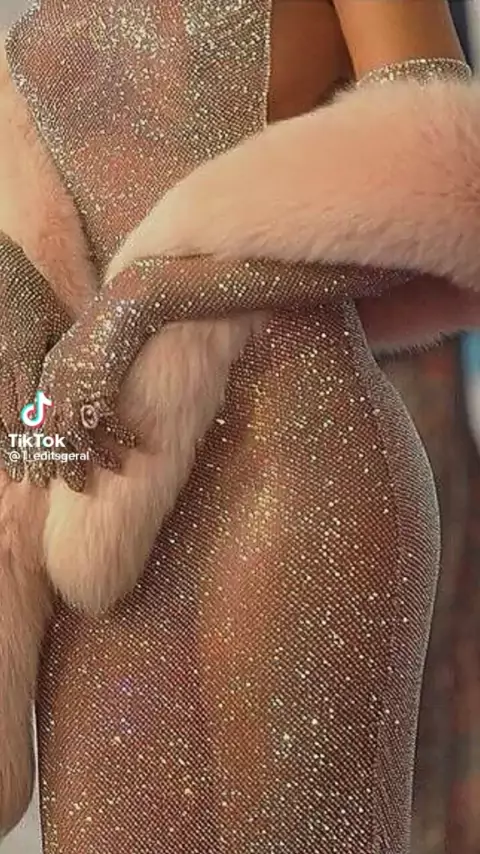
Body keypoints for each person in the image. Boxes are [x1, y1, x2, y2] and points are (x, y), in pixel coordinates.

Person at [1, 1, 480, 852]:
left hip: (294, 464)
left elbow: (451, 181)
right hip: (98, 514)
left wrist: (148, 297)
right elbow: (47, 290)